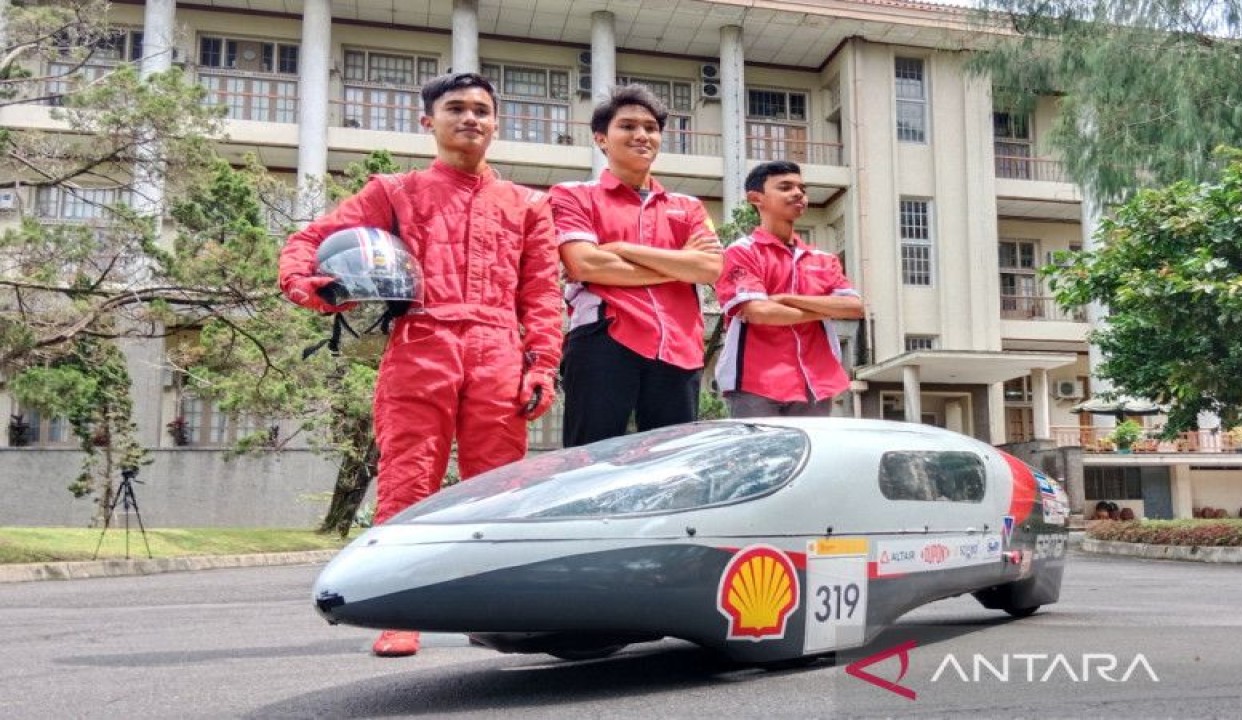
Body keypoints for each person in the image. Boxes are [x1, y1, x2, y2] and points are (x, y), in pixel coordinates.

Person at [278, 73, 562, 657]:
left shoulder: (529, 204)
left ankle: (496, 611)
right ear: (427, 122)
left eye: (482, 110)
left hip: (497, 348)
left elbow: (541, 292)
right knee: (410, 478)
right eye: (455, 109)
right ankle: (399, 612)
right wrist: (310, 285)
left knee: (497, 490)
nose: (470, 119)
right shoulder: (395, 190)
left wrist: (542, 365)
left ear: (497, 123)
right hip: (421, 341)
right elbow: (311, 239)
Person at [550, 85, 723, 447]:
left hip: (679, 346)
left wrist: (623, 249)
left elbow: (710, 268)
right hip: (604, 339)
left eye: (651, 127)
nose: (642, 135)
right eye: (627, 126)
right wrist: (679, 265)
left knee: (671, 464)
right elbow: (585, 264)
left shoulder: (687, 206)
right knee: (588, 459)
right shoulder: (573, 195)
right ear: (601, 139)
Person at [713, 160, 864, 417]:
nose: (798, 194)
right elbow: (759, 312)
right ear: (756, 198)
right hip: (755, 381)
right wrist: (822, 309)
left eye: (802, 189)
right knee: (758, 457)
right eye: (785, 187)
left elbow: (854, 307)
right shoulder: (741, 252)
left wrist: (786, 299)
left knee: (812, 456)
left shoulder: (822, 259)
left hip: (816, 381)